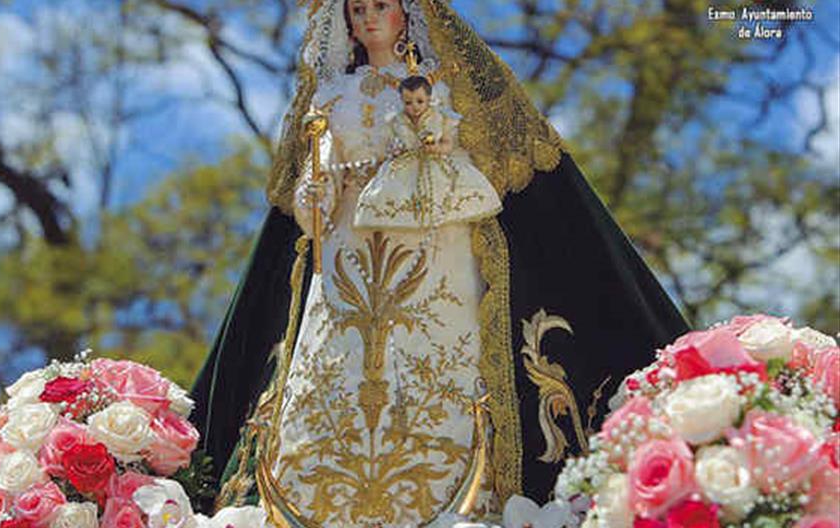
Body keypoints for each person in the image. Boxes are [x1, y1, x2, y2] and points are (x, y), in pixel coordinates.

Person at [190, 0, 689, 525]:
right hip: (346, 253)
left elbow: (454, 143)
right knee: (341, 357)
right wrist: (315, 191)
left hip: (427, 243)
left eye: (381, 5)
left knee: (426, 349)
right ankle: (316, 486)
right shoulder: (332, 95)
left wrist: (427, 134)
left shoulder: (432, 80)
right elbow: (319, 177)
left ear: (408, 13)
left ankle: (451, 483)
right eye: (357, 9)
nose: (369, 18)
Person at [354, 73, 502, 231]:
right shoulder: (395, 121)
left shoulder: (441, 117)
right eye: (408, 103)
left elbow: (448, 144)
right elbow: (390, 144)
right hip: (404, 167)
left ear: (429, 98)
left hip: (435, 163)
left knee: (446, 192)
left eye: (420, 101)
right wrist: (396, 149)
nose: (414, 107)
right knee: (392, 197)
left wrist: (436, 148)